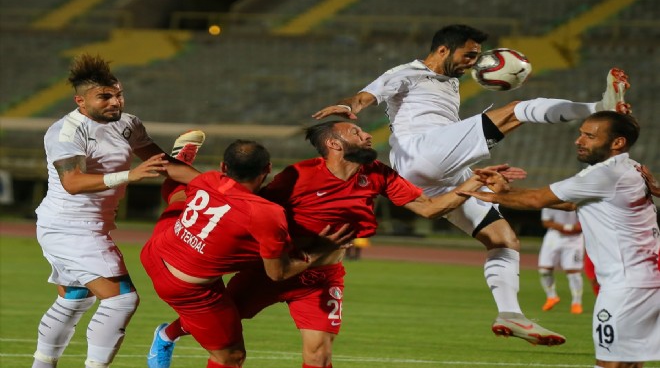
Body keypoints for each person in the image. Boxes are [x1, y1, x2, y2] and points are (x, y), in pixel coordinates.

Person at [313, 23, 631, 345]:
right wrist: (349, 106)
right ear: (442, 50)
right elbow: (366, 95)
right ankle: (598, 107)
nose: (473, 63)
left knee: (503, 239)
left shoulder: (449, 81)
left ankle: (510, 313)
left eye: (477, 56)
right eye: (469, 55)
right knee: (518, 110)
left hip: (441, 172)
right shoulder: (407, 72)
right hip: (421, 152)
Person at [150, 120, 530, 368]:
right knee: (225, 322)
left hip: (321, 276)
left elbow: (429, 208)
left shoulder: (379, 174)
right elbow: (252, 204)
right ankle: (168, 333)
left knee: (319, 354)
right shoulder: (296, 176)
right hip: (274, 269)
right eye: (357, 132)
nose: (367, 135)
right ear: (333, 143)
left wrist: (468, 187)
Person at [32, 54, 199, 368]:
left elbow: (165, 165)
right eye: (104, 96)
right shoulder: (66, 132)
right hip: (69, 226)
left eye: (118, 94)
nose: (115, 101)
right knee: (122, 298)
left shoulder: (128, 124)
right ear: (81, 101)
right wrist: (129, 175)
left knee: (74, 298)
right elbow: (73, 181)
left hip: (89, 225)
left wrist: (215, 186)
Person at [459, 111, 660, 368]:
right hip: (645, 282)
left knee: (610, 364)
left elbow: (536, 200)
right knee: (629, 365)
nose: (579, 140)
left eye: (589, 136)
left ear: (617, 143)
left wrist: (485, 194)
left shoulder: (604, 175)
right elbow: (568, 204)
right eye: (581, 133)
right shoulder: (630, 168)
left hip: (625, 287)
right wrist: (507, 192)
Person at [141, 138, 353, 368]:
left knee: (180, 196)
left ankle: (182, 157)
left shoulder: (210, 179)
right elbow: (278, 273)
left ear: (223, 167)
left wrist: (131, 134)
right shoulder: (266, 213)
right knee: (231, 358)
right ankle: (165, 336)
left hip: (158, 249)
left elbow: (169, 169)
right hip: (188, 289)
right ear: (268, 169)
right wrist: (320, 249)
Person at [537, 208, 585, 314]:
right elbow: (546, 222)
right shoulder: (548, 202)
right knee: (544, 270)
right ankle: (551, 297)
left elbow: (583, 223)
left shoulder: (576, 199)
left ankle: (576, 303)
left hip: (574, 239)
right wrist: (566, 227)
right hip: (554, 236)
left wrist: (576, 228)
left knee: (574, 273)